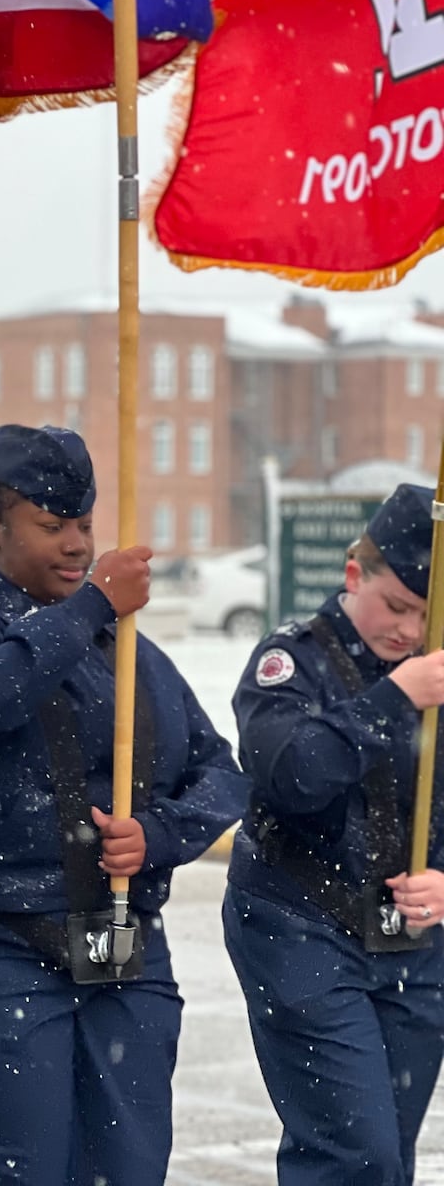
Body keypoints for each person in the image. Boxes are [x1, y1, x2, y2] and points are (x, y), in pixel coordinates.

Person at [0, 424, 248, 1185]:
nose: (75, 544)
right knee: (22, 1172)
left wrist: (158, 836)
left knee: (127, 1170)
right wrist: (91, 606)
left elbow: (223, 773)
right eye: (51, 524)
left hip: (123, 950)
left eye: (85, 524)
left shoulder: (130, 652)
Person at [226, 483, 444, 1186]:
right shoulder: (291, 663)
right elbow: (291, 773)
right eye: (398, 607)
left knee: (388, 1158)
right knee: (354, 1154)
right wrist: (394, 697)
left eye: (428, 616)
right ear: (355, 574)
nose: (409, 632)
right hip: (303, 923)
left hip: (411, 941)